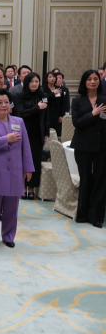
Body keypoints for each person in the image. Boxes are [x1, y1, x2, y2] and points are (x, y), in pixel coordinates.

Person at [0, 88, 34, 248]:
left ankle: (9, 236)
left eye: (6, 102)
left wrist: (28, 168)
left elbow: (26, 147)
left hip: (15, 170)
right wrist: (6, 139)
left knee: (11, 207)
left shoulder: (18, 122)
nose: (4, 105)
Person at [70, 70, 106, 228]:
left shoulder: (105, 99)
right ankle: (82, 214)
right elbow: (76, 122)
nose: (93, 81)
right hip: (83, 144)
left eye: (95, 79)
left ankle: (96, 216)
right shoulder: (78, 101)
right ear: (84, 82)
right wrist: (93, 114)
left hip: (102, 144)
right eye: (89, 79)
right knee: (85, 179)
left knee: (100, 180)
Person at [16, 72, 48, 200]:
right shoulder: (20, 96)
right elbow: (20, 114)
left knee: (35, 161)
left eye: (37, 81)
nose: (34, 84)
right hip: (24, 132)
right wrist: (36, 108)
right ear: (27, 83)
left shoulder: (43, 96)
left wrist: (46, 133)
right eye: (32, 81)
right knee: (23, 160)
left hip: (38, 133)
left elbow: (46, 116)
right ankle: (23, 187)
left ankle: (32, 188)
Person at [42, 71, 64, 137]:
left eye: (54, 77)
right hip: (47, 113)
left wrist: (61, 115)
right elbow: (44, 100)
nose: (52, 78)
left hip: (56, 114)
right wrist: (53, 93)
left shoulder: (59, 89)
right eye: (50, 77)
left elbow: (62, 103)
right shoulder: (43, 89)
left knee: (56, 132)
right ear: (46, 79)